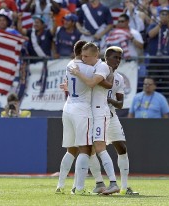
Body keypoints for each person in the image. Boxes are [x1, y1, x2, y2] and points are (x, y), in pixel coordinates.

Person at [88, 46, 139, 195]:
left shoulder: (119, 78)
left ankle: (124, 187)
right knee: (90, 150)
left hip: (110, 113)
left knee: (122, 148)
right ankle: (99, 183)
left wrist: (108, 99)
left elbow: (121, 103)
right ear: (106, 58)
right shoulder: (97, 71)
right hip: (95, 114)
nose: (118, 61)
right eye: (115, 57)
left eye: (120, 58)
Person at [69, 42, 119, 195]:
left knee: (99, 147)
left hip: (99, 113)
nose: (83, 59)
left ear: (95, 56)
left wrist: (77, 73)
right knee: (89, 150)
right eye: (82, 56)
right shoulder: (92, 67)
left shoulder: (102, 67)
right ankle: (99, 183)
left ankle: (113, 183)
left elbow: (91, 83)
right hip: (91, 113)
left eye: (86, 56)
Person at [55, 40, 94, 195]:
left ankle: (60, 185)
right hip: (82, 109)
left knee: (71, 149)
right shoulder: (89, 68)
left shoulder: (69, 64)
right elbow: (96, 83)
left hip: (68, 107)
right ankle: (79, 188)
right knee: (85, 149)